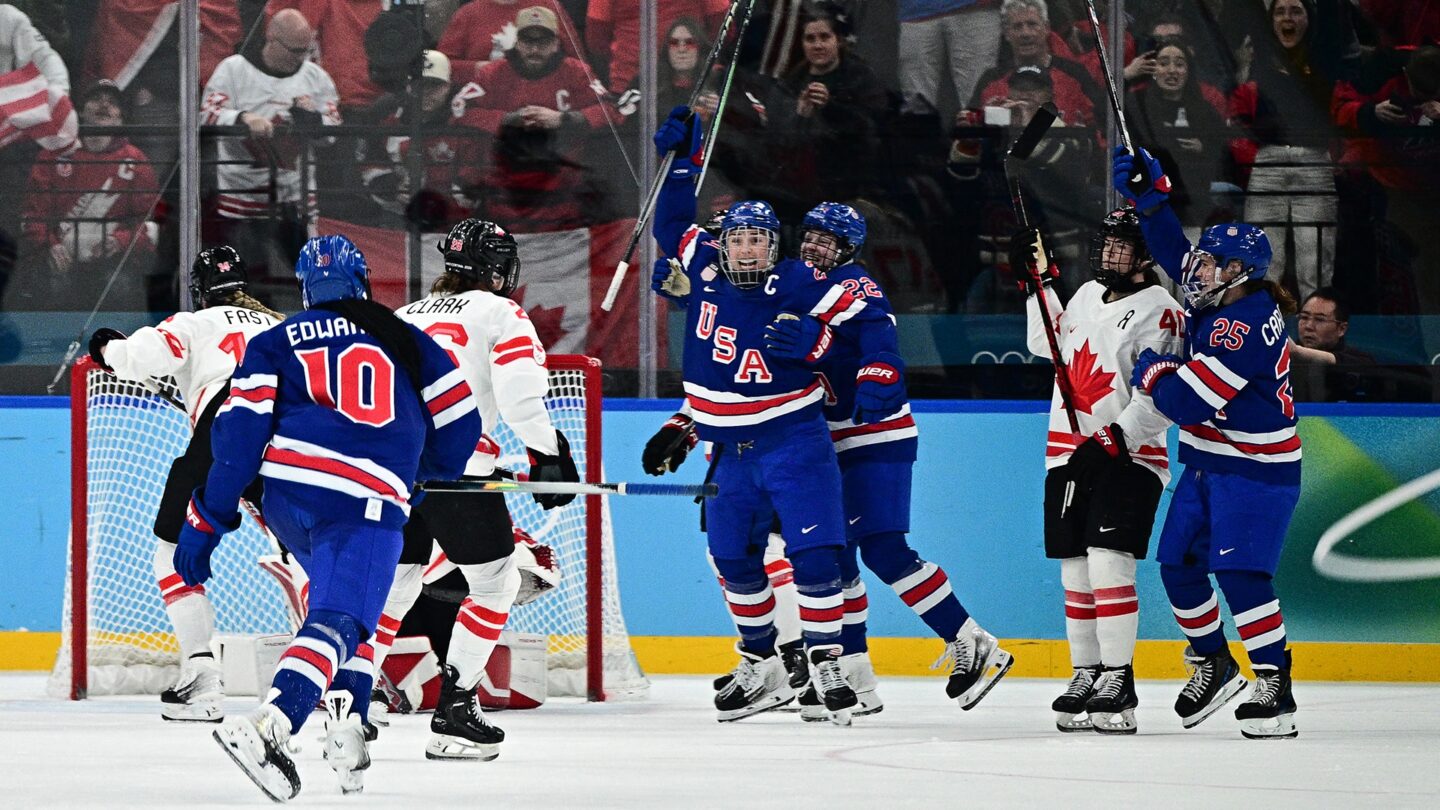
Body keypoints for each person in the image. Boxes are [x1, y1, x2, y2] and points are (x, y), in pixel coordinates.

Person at [190, 235, 480, 800]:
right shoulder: (404, 336)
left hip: (287, 502)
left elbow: (239, 437)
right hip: (363, 500)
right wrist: (425, 473)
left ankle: (346, 727)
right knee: (341, 621)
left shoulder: (273, 339)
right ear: (363, 280)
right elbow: (462, 423)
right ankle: (271, 725)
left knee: (339, 615)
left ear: (306, 288)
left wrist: (210, 516)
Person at [650, 109, 904, 723]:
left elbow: (871, 317)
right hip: (728, 450)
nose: (746, 248)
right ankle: (763, 663)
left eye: (758, 239)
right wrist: (682, 166)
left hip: (794, 441)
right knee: (732, 555)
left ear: (774, 244)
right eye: (737, 237)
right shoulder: (703, 263)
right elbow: (671, 223)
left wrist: (879, 366)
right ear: (723, 240)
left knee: (814, 557)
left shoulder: (797, 282)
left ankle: (826, 664)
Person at [1115, 146, 1302, 740]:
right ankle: (1215, 662)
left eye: (1211, 265)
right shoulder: (1226, 297)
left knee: (1243, 577)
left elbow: (1183, 402)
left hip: (1255, 468)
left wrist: (1151, 370)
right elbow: (1176, 253)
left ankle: (1275, 683)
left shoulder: (1241, 324)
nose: (1196, 272)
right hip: (1207, 460)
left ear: (1238, 273)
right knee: (1178, 566)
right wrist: (1152, 200)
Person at [384, 217, 580, 761]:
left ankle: (352, 701)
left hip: (395, 472)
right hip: (460, 473)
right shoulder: (500, 312)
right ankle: (455, 712)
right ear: (498, 268)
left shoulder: (403, 316)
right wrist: (547, 452)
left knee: (397, 586)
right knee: (494, 584)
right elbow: (519, 399)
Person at [85, 247, 284, 723]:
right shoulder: (278, 325)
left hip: (224, 426)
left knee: (171, 550)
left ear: (199, 290)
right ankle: (347, 675)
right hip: (290, 430)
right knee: (302, 551)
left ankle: (201, 676)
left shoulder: (192, 324)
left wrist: (105, 345)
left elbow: (133, 359)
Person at [1011, 209, 1185, 734]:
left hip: (1128, 455)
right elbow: (1047, 345)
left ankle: (1118, 678)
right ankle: (1086, 674)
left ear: (1147, 255)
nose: (1109, 254)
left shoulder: (1164, 311)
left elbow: (1163, 396)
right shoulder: (1085, 294)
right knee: (1075, 569)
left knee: (1109, 562)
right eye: (1106, 243)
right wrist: (1037, 284)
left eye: (1122, 246)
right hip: (1066, 450)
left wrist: (1115, 438)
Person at [200, 8, 341, 309]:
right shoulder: (233, 70)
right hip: (242, 199)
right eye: (295, 50)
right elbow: (207, 115)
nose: (301, 58)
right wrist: (243, 117)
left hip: (296, 199)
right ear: (272, 39)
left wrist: (312, 122)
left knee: (313, 279)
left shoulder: (315, 76)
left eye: (306, 50)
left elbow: (334, 130)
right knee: (248, 284)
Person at [457, 5, 616, 232]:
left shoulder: (577, 71)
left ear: (555, 44)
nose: (534, 49)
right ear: (517, 43)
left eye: (543, 42)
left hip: (564, 203)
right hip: (504, 201)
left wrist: (565, 119)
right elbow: (459, 111)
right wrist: (507, 120)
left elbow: (612, 110)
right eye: (528, 42)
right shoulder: (492, 74)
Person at [1232, 0, 1341, 303]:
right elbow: (1239, 113)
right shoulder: (1254, 59)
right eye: (1280, 12)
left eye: (1296, 11)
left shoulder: (1324, 58)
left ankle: (1313, 341)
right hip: (1267, 163)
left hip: (1313, 164)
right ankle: (1260, 337)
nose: (1287, 18)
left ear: (1309, 18)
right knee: (1264, 263)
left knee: (1314, 266)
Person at [21, 80, 162, 310]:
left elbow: (153, 221)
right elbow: (33, 215)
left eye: (112, 103)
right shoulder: (54, 154)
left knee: (120, 285)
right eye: (96, 99)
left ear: (121, 117)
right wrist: (51, 245)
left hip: (114, 260)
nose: (104, 105)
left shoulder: (137, 161)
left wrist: (120, 241)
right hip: (59, 257)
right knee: (51, 285)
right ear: (81, 111)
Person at [763, 5, 888, 221]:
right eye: (810, 39)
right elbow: (777, 140)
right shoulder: (790, 84)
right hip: (801, 194)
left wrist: (830, 107)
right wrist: (800, 115)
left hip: (853, 190)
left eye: (824, 37)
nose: (817, 45)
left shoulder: (861, 78)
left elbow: (872, 127)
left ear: (838, 40)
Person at [1125, 40, 1233, 227]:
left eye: (1180, 64)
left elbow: (1223, 150)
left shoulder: (1203, 110)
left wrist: (1204, 148)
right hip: (1149, 207)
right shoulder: (1138, 104)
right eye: (1163, 63)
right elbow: (1104, 114)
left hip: (1192, 209)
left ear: (1189, 71)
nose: (1172, 70)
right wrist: (1126, 75)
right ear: (1153, 69)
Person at [438, 0, 585, 87]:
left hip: (545, 103)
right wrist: (479, 68)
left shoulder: (550, 6)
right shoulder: (468, 14)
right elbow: (440, 66)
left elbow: (579, 63)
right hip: (487, 104)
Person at [897, 0, 1003, 116]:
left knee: (982, 100)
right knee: (916, 104)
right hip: (915, 9)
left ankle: (980, 133)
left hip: (975, 7)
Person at [1288, 287, 1378, 402]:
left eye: (1320, 319)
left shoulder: (1359, 360)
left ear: (1341, 329)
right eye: (1304, 317)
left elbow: (1369, 368)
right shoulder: (1281, 356)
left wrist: (1298, 352)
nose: (1308, 326)